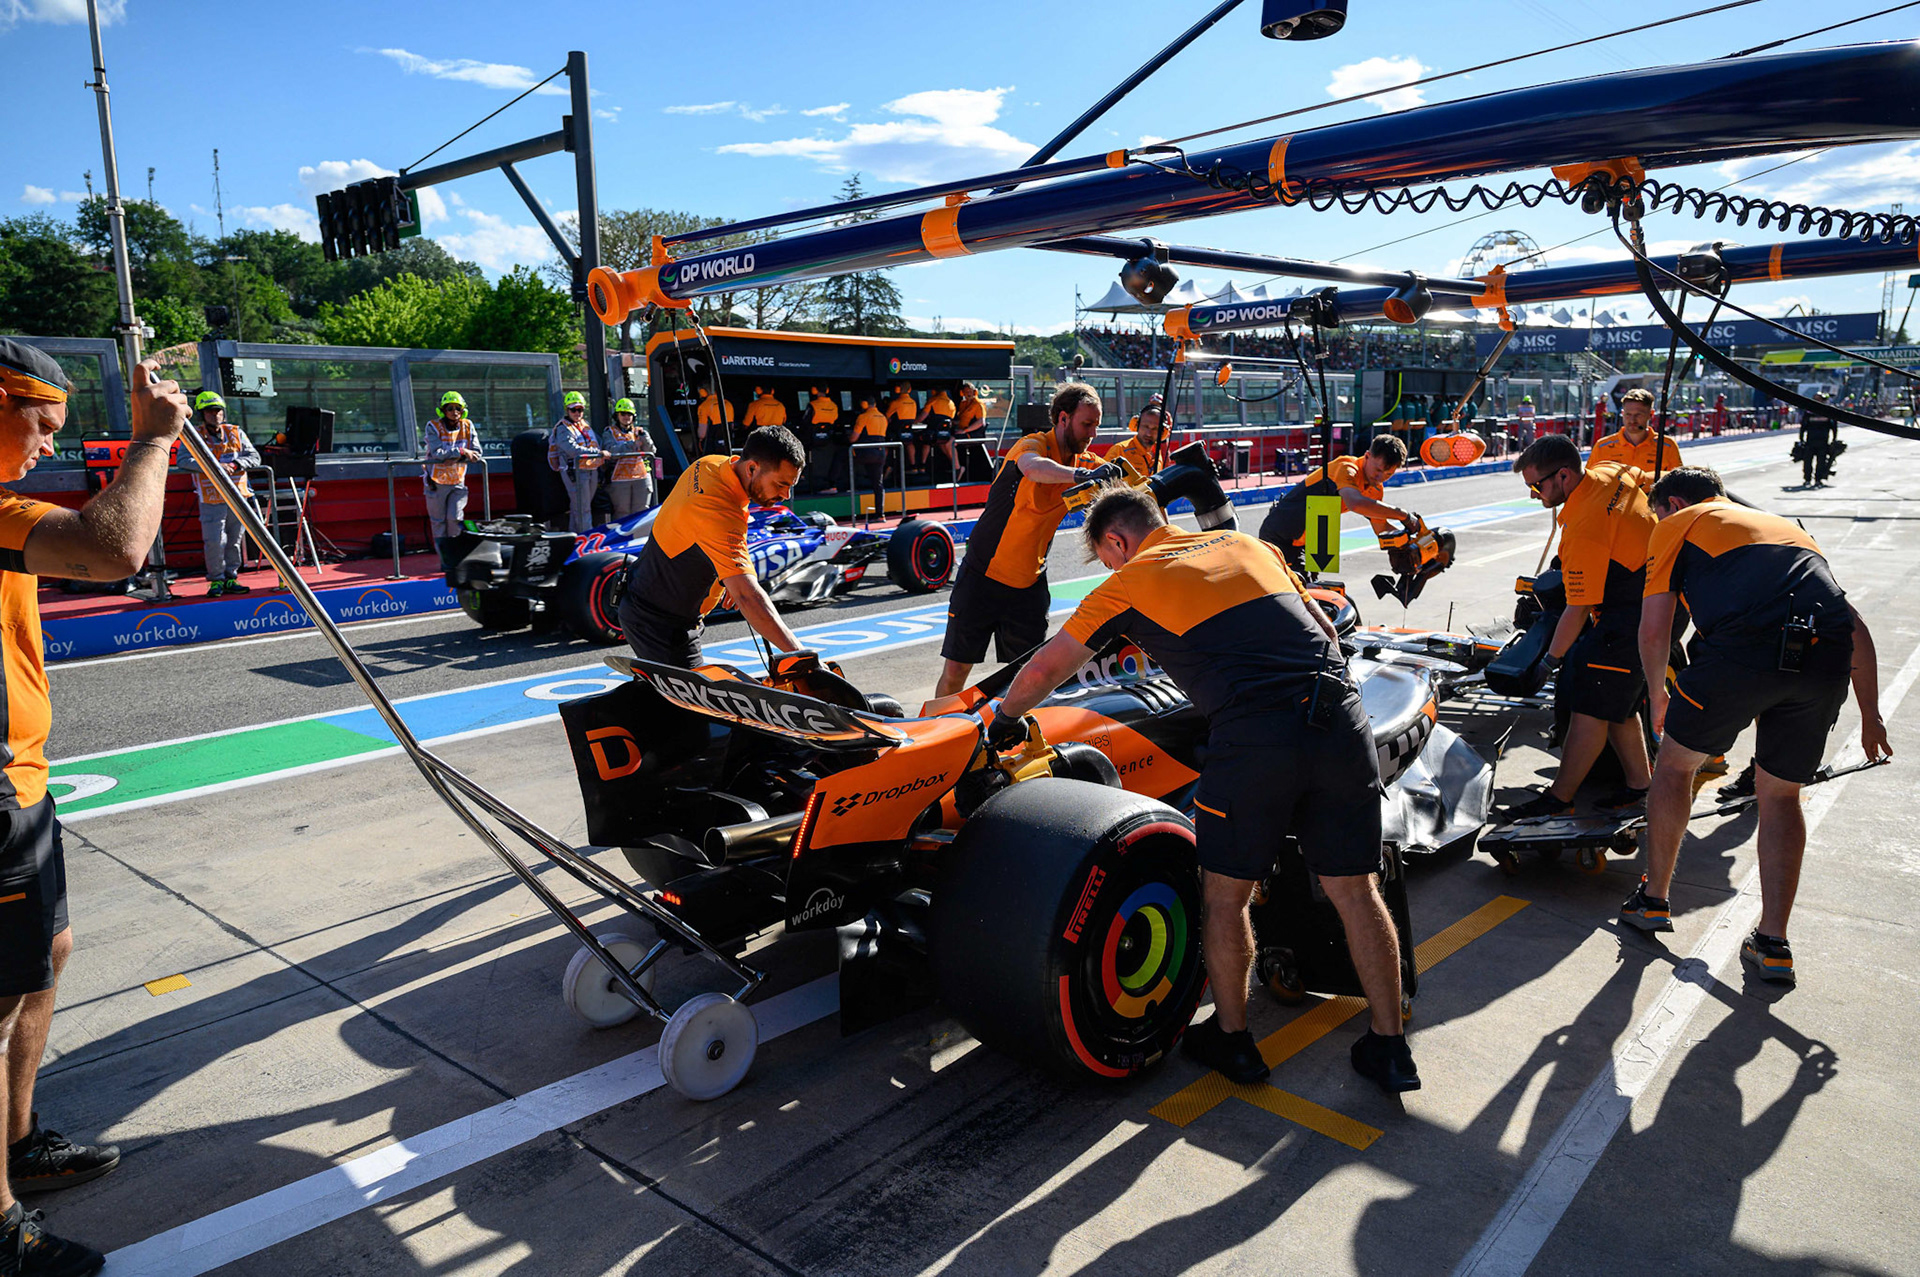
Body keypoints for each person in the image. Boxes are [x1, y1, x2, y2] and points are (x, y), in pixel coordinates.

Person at [991, 486, 1417, 1092]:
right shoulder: (1249, 544)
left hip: (1255, 737)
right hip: (1340, 719)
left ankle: (1234, 1042)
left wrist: (1004, 720)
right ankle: (1390, 1047)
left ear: (1117, 541)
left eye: (1111, 558)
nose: (1114, 567)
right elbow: (1324, 623)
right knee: (1355, 890)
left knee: (1224, 898)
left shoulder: (1131, 579)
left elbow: (1043, 670)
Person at [0, 338, 191, 1273]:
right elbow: (116, 548)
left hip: (21, 776)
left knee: (47, 951)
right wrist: (150, 441)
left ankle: (17, 1140)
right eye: (38, 425)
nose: (46, 448)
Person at [1625, 466, 1890, 985]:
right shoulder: (1784, 526)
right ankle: (1772, 943)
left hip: (1740, 653)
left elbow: (1655, 630)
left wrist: (1657, 694)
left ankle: (1654, 899)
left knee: (1675, 769)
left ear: (1673, 503)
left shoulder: (1678, 522)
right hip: (1823, 657)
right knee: (1781, 795)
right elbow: (1853, 625)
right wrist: (1870, 716)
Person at [1505, 435, 1658, 819]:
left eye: (1537, 485)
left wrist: (1549, 661)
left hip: (1633, 615)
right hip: (1660, 597)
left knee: (1589, 704)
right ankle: (1641, 786)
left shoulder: (1584, 527)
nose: (1533, 494)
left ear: (1565, 476)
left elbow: (1578, 607)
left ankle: (1559, 799)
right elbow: (1650, 478)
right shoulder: (1610, 472)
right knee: (1617, 703)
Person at [932, 381, 1109, 699]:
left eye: (1096, 425)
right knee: (956, 671)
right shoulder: (1033, 446)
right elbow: (1033, 468)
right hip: (981, 578)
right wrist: (1080, 477)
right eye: (1087, 424)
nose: (1092, 433)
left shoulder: (1085, 462)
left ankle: (1019, 738)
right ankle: (933, 738)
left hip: (1029, 586)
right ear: (1063, 418)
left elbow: (1126, 484)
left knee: (1029, 675)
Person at [618, 425, 806, 668]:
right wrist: (802, 657)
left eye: (791, 485)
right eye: (780, 484)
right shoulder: (718, 510)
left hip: (645, 597)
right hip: (660, 623)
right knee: (693, 705)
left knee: (665, 698)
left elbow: (698, 531)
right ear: (751, 467)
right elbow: (748, 597)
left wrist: (725, 572)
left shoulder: (711, 464)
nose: (786, 494)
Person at [1257, 435, 1412, 574]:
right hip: (1280, 534)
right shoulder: (1346, 467)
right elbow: (1355, 503)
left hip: (1309, 540)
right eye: (1378, 470)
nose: (1380, 477)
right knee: (1293, 594)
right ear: (1367, 456)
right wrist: (1403, 515)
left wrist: (1412, 542)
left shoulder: (1375, 488)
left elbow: (1381, 528)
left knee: (1314, 591)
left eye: (1388, 474)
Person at [189, 390, 259, 597]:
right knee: (214, 541)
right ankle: (216, 581)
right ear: (202, 414)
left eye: (218, 410)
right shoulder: (195, 435)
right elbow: (183, 460)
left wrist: (236, 464)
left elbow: (255, 456)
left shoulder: (236, 432)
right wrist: (214, 466)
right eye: (210, 411)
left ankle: (231, 578)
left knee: (234, 540)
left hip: (237, 496)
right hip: (211, 498)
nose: (215, 414)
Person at [423, 390, 483, 558]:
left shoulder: (468, 425)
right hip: (436, 482)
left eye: (458, 408)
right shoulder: (432, 426)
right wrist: (462, 451)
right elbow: (437, 453)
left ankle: (456, 555)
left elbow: (477, 452)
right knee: (439, 522)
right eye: (450, 408)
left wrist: (454, 457)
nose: (454, 412)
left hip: (458, 480)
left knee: (455, 519)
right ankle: (444, 558)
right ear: (443, 410)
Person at [1589, 387, 1682, 487]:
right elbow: (1589, 483)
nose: (1632, 420)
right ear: (1622, 414)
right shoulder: (1602, 446)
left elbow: (1679, 484)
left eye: (1638, 415)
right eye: (1628, 414)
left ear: (1651, 414)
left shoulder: (1667, 446)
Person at [548, 391, 603, 534]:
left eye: (580, 409)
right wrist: (598, 454)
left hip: (591, 469)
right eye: (573, 410)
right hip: (575, 472)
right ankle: (587, 538)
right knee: (582, 507)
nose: (577, 413)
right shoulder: (563, 428)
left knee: (581, 507)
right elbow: (571, 449)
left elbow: (597, 442)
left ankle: (573, 536)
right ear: (567, 410)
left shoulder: (585, 425)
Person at [602, 398, 656, 519]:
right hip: (620, 479)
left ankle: (641, 538)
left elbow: (652, 451)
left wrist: (644, 438)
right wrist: (632, 445)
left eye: (629, 414)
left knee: (642, 513)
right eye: (623, 414)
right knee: (622, 513)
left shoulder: (641, 432)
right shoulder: (609, 432)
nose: (626, 417)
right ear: (617, 415)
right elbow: (611, 451)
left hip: (641, 477)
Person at [1107, 393, 1167, 480]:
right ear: (1137, 425)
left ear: (1162, 432)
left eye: (1155, 429)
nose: (1149, 433)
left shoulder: (1157, 453)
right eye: (1145, 427)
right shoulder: (1119, 450)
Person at [849, 396, 890, 516]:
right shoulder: (883, 417)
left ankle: (834, 485)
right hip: (881, 452)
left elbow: (853, 438)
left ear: (864, 404)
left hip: (866, 452)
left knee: (842, 457)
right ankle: (880, 514)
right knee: (878, 483)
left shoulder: (863, 417)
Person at [802, 386, 840, 494]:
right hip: (828, 441)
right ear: (827, 390)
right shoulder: (834, 406)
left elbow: (805, 422)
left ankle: (805, 479)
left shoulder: (812, 405)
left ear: (814, 390)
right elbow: (835, 420)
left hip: (812, 441)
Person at [1798, 395, 1838, 488]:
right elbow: (1803, 426)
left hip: (1822, 441)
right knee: (1808, 462)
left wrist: (1834, 439)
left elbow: (1834, 427)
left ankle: (1817, 480)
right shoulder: (1809, 412)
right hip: (1811, 441)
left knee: (1820, 462)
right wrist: (1801, 439)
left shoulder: (1827, 412)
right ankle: (1808, 479)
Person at [952, 381, 988, 481]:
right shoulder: (963, 404)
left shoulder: (978, 404)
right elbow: (961, 419)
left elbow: (981, 422)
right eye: (966, 391)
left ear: (974, 392)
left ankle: (958, 469)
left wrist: (965, 431)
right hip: (961, 431)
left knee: (951, 442)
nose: (968, 393)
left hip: (971, 434)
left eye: (970, 391)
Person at [920, 385, 957, 481]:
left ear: (934, 390)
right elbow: (951, 420)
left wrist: (913, 422)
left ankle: (922, 466)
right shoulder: (952, 403)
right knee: (943, 444)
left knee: (924, 440)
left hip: (932, 435)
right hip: (945, 435)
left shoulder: (933, 400)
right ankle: (952, 466)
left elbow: (922, 417)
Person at [886, 383, 924, 477]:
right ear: (910, 390)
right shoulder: (913, 403)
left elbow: (886, 416)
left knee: (884, 442)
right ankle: (913, 465)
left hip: (895, 432)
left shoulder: (896, 402)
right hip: (908, 432)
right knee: (909, 443)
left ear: (898, 389)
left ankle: (888, 465)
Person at [693, 386, 736, 457]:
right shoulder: (728, 404)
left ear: (703, 392)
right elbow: (732, 426)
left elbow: (702, 434)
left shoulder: (703, 406)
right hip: (727, 447)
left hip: (712, 449)